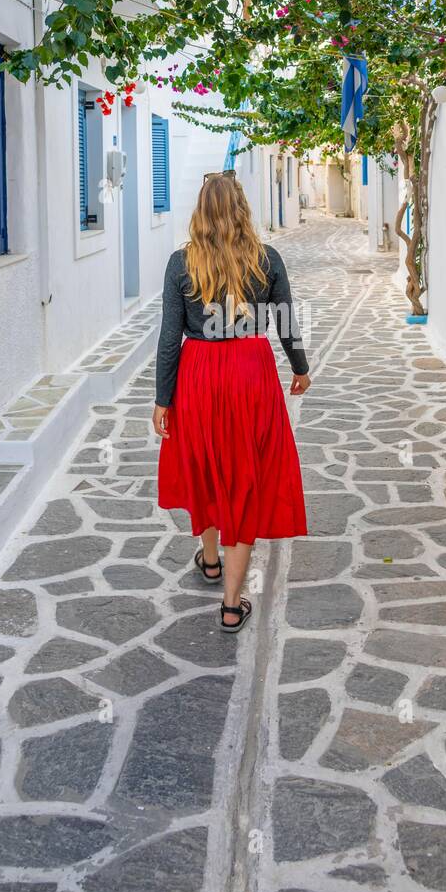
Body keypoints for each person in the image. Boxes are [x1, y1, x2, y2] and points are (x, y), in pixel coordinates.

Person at [153, 171, 311, 632]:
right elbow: (286, 323)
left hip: (198, 373)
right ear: (242, 207)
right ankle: (230, 602)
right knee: (244, 475)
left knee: (204, 465)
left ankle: (210, 559)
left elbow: (168, 339)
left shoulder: (180, 264)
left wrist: (163, 397)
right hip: (250, 371)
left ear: (201, 210)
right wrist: (299, 368)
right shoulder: (267, 259)